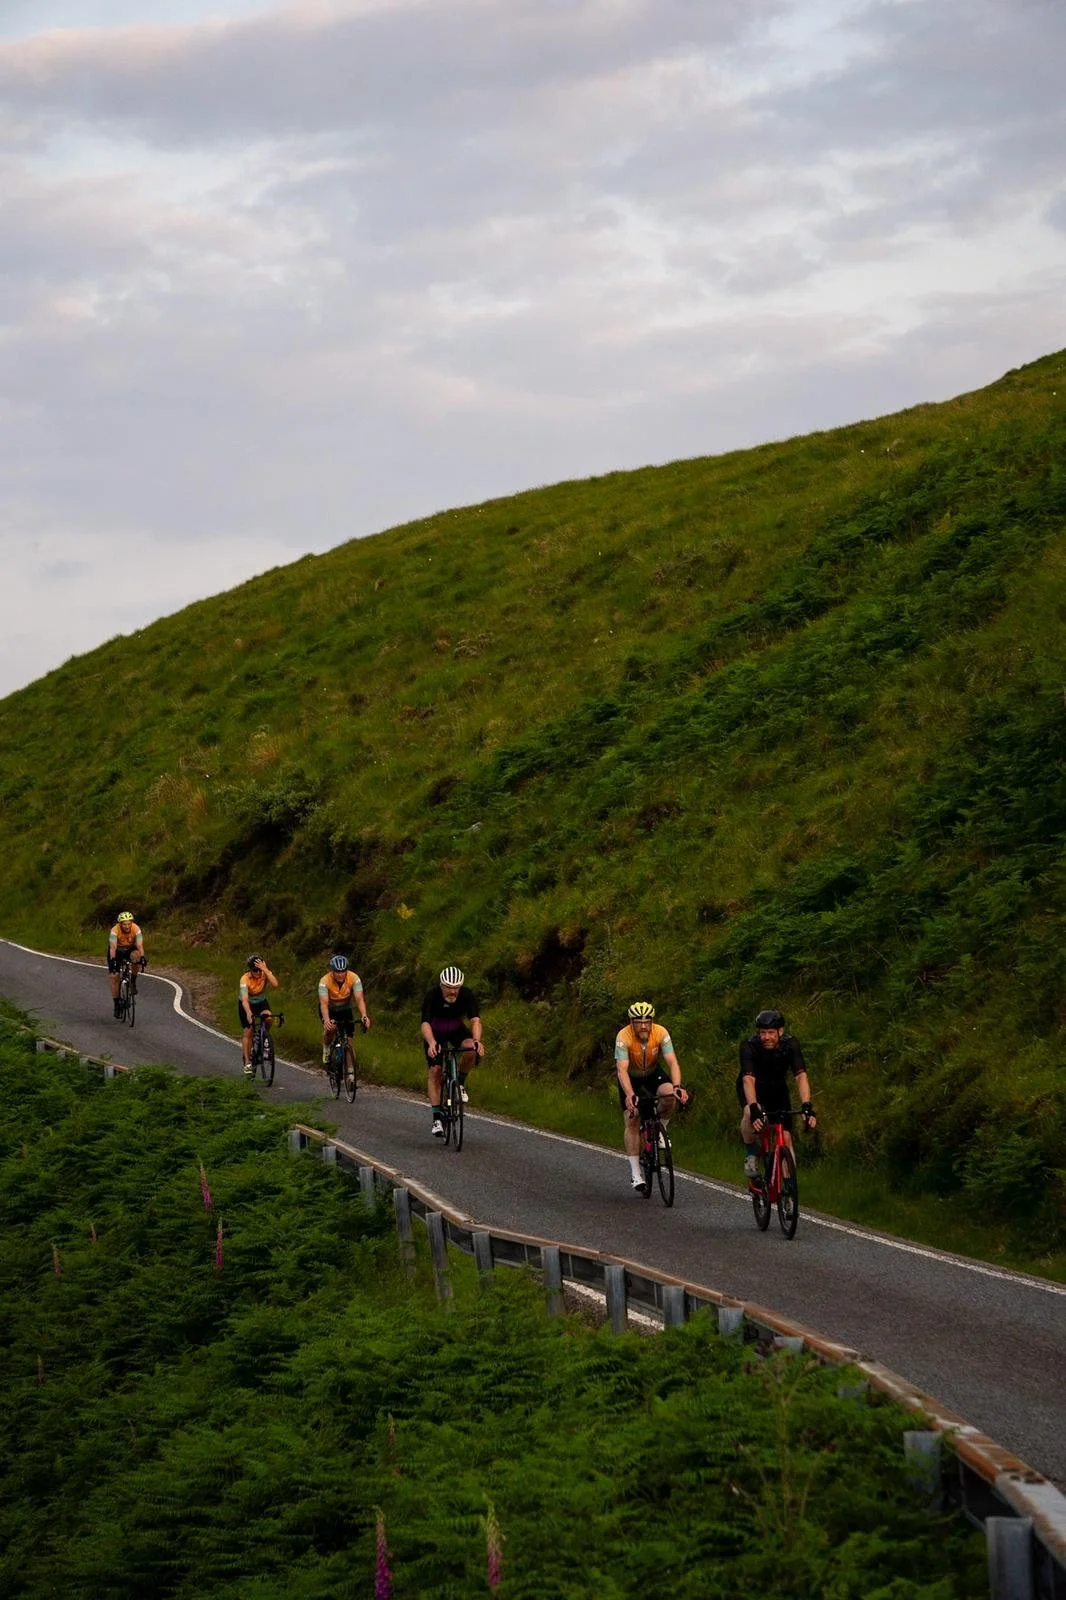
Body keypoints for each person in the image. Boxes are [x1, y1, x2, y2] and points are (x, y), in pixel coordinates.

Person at [615, 1001, 688, 1193]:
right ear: (631, 1022)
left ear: (652, 1021)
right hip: (631, 1078)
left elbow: (672, 1062)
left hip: (653, 1073)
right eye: (638, 1022)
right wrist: (630, 1094)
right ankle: (636, 1173)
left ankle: (661, 1129)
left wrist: (678, 1086)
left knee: (670, 1094)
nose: (643, 1025)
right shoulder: (623, 1037)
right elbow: (621, 1070)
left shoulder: (661, 1033)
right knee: (633, 1118)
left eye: (647, 1021)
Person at [737, 1008, 816, 1177]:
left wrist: (806, 1105)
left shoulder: (790, 1045)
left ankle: (789, 1186)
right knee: (749, 1114)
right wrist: (753, 1109)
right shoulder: (749, 1046)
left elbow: (801, 1076)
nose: (766, 1037)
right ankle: (751, 1154)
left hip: (777, 1088)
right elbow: (748, 1080)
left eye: (771, 1033)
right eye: (763, 1033)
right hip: (752, 1087)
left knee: (786, 1138)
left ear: (781, 1031)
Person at [421, 965, 483, 1138]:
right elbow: (425, 1023)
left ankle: (460, 1084)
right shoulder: (432, 996)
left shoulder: (467, 995)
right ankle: (436, 1119)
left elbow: (475, 1020)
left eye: (456, 987)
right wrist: (432, 1042)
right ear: (441, 986)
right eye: (448, 987)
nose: (452, 991)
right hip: (435, 1032)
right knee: (436, 1070)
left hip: (456, 1029)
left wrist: (477, 1041)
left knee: (471, 1049)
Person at [317, 954, 370, 1067]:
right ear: (332, 971)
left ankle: (350, 1075)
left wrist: (364, 1016)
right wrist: (326, 1020)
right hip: (329, 1009)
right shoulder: (324, 981)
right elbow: (324, 1003)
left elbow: (360, 999)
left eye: (343, 971)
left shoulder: (354, 978)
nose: (340, 974)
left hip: (345, 1008)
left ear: (347, 970)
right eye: (337, 972)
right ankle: (326, 1047)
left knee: (349, 1041)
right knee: (330, 1029)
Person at [238, 954, 279, 1078]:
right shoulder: (244, 979)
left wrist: (265, 969)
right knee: (248, 1031)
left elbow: (275, 984)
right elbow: (245, 1000)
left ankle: (264, 1038)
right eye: (255, 970)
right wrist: (249, 1013)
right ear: (250, 970)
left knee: (268, 1018)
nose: (257, 973)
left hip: (261, 1002)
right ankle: (248, 1062)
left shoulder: (264, 972)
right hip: (247, 1004)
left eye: (259, 970)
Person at [107, 911, 146, 1018]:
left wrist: (142, 957)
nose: (127, 926)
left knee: (136, 957)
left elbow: (139, 945)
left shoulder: (136, 929)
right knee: (114, 976)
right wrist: (114, 960)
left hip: (130, 949)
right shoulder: (114, 931)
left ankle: (133, 981)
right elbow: (113, 947)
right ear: (120, 924)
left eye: (129, 924)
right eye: (125, 924)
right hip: (117, 951)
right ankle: (116, 1005)